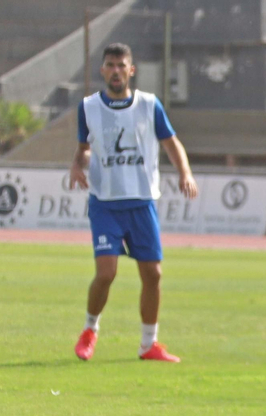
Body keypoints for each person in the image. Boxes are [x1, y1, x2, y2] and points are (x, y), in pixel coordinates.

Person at [68, 42, 197, 363]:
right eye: (110, 65)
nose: (115, 71)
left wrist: (185, 172)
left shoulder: (149, 105)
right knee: (106, 272)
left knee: (153, 274)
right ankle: (89, 329)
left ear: (131, 70)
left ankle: (148, 344)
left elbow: (171, 142)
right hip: (106, 203)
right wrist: (77, 164)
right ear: (103, 70)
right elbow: (85, 146)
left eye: (120, 65)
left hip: (141, 202)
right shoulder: (89, 107)